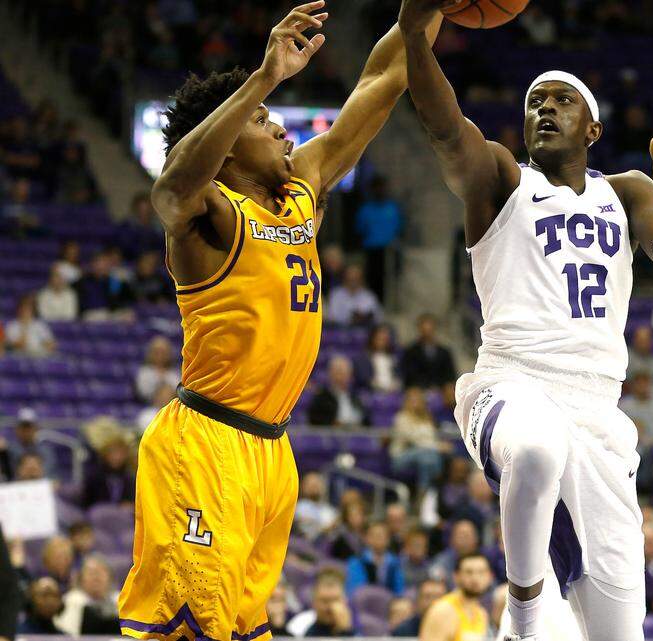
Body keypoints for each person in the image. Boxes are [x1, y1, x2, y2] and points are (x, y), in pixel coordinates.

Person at [117, 3, 442, 639]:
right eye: (265, 124)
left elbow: (380, 81)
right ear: (227, 140)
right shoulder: (209, 214)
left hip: (272, 451)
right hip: (205, 443)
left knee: (244, 628)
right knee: (186, 628)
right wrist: (263, 79)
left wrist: (427, 11)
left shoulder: (303, 190)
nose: (284, 133)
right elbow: (172, 188)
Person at [399, 0, 653, 637]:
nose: (544, 108)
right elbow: (443, 125)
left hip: (599, 414)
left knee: (620, 628)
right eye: (535, 101)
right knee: (537, 448)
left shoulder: (625, 192)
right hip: (513, 383)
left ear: (592, 127)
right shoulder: (501, 181)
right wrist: (413, 35)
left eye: (562, 99)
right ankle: (524, 612)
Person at [419, 553, 493, 641]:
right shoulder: (443, 611)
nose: (475, 578)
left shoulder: (481, 613)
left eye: (481, 572)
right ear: (456, 576)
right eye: (469, 572)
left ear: (490, 577)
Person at [390, 387, 447, 492]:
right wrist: (437, 447)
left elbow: (431, 438)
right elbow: (414, 440)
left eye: (418, 400)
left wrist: (437, 446)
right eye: (412, 400)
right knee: (426, 454)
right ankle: (429, 489)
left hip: (425, 457)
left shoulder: (427, 419)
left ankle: (423, 495)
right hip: (401, 456)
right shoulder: (402, 418)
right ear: (406, 402)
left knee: (427, 459)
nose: (415, 403)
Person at [345, 520, 405, 597]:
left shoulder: (395, 563)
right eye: (374, 535)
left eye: (382, 535)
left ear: (388, 540)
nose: (378, 538)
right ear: (366, 539)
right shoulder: (356, 561)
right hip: (363, 604)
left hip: (390, 605)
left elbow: (399, 591)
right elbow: (355, 591)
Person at [308, 355, 370, 427]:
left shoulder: (355, 398)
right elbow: (316, 421)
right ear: (331, 374)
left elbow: (367, 422)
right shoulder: (322, 398)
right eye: (340, 372)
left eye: (346, 373)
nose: (344, 376)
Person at [400, 314, 458, 390]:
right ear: (420, 330)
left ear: (434, 329)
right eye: (425, 330)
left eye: (430, 330)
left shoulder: (444, 352)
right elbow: (409, 376)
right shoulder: (411, 352)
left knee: (451, 390)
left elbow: (450, 375)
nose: (427, 333)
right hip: (419, 388)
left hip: (441, 388)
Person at [134, 337, 181, 404]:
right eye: (157, 352)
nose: (160, 355)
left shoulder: (175, 373)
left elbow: (179, 393)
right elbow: (143, 393)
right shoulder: (145, 373)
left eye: (163, 352)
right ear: (151, 353)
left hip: (172, 407)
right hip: (150, 406)